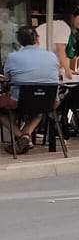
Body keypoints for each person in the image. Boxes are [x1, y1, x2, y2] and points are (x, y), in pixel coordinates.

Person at [5, 24, 61, 152]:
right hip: (49, 100)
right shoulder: (51, 56)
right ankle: (25, 136)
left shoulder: (13, 57)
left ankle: (21, 136)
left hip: (20, 100)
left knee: (4, 110)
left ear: (19, 41)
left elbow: (7, 78)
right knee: (39, 109)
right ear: (37, 39)